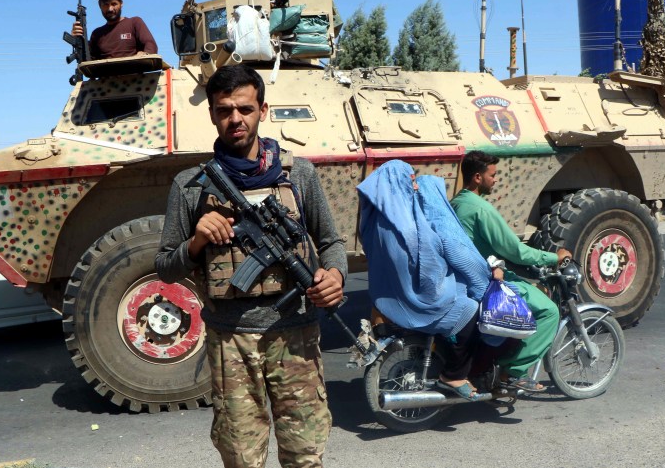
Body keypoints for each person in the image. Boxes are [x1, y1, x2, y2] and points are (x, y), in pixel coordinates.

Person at [155, 65, 345, 468]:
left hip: (296, 335)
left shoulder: (299, 175)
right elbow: (165, 267)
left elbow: (331, 242)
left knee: (306, 455)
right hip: (231, 342)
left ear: (262, 109)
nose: (235, 119)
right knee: (241, 458)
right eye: (224, 110)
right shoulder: (191, 185)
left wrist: (335, 276)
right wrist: (197, 241)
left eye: (244, 108)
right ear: (211, 114)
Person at [357, 160, 503, 400]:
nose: (415, 188)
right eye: (411, 181)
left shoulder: (375, 222)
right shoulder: (408, 227)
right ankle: (454, 375)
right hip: (420, 300)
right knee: (470, 309)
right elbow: (431, 272)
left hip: (390, 295)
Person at [450, 150, 572, 393]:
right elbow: (515, 251)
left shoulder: (457, 203)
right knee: (549, 311)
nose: (495, 180)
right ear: (477, 177)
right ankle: (513, 372)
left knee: (532, 290)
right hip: (486, 279)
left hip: (466, 275)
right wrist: (553, 257)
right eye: (492, 175)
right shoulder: (480, 209)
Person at [71, 0, 157, 59]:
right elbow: (88, 61)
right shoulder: (97, 34)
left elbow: (150, 45)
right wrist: (77, 40)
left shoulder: (134, 23)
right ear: (99, 6)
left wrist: (145, 54)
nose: (110, 9)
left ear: (121, 3)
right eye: (106, 5)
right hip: (106, 77)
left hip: (135, 76)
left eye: (114, 4)